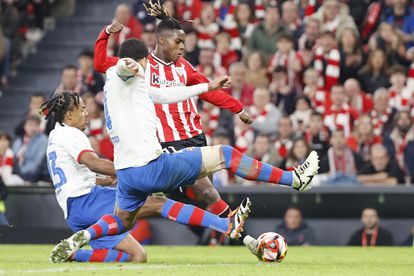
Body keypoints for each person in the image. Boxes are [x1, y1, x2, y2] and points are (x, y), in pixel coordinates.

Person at [49, 37, 319, 263]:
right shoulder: (122, 74)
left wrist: (205, 87)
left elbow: (165, 95)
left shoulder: (131, 87)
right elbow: (121, 69)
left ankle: (83, 238)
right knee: (225, 154)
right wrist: (127, 64)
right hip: (151, 166)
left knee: (122, 221)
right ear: (143, 61)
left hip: (127, 174)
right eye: (146, 63)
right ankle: (294, 179)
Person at [93, 1, 253, 228]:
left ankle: (221, 231)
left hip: (194, 136)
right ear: (161, 40)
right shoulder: (140, 66)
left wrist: (238, 108)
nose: (182, 47)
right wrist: (106, 33)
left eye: (183, 43)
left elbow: (209, 90)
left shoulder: (185, 67)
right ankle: (235, 226)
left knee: (204, 193)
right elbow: (101, 63)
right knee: (205, 190)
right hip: (168, 141)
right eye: (178, 42)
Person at [41, 91, 248, 263]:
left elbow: (78, 177)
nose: (87, 113)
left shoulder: (55, 136)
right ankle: (225, 225)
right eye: (82, 109)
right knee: (158, 203)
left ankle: (75, 253)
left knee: (138, 256)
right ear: (68, 115)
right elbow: (93, 163)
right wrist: (126, 169)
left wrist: (109, 178)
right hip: (86, 201)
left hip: (75, 210)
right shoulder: (72, 134)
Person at [12, 115, 48, 182]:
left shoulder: (43, 140)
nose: (33, 128)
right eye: (30, 125)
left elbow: (37, 164)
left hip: (33, 177)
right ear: (24, 126)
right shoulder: (18, 141)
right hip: (18, 175)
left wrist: (20, 174)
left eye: (36, 125)